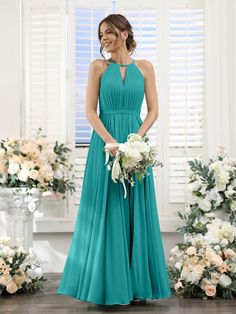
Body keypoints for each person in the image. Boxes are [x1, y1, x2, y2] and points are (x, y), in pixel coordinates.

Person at [57, 13, 172, 306]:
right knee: (107, 210)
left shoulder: (145, 68)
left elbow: (153, 111)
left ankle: (136, 287)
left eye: (108, 32)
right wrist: (112, 143)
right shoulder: (98, 67)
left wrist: (135, 141)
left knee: (136, 209)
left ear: (124, 33)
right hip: (105, 147)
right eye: (100, 35)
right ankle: (105, 286)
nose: (104, 39)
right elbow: (90, 112)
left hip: (135, 147)